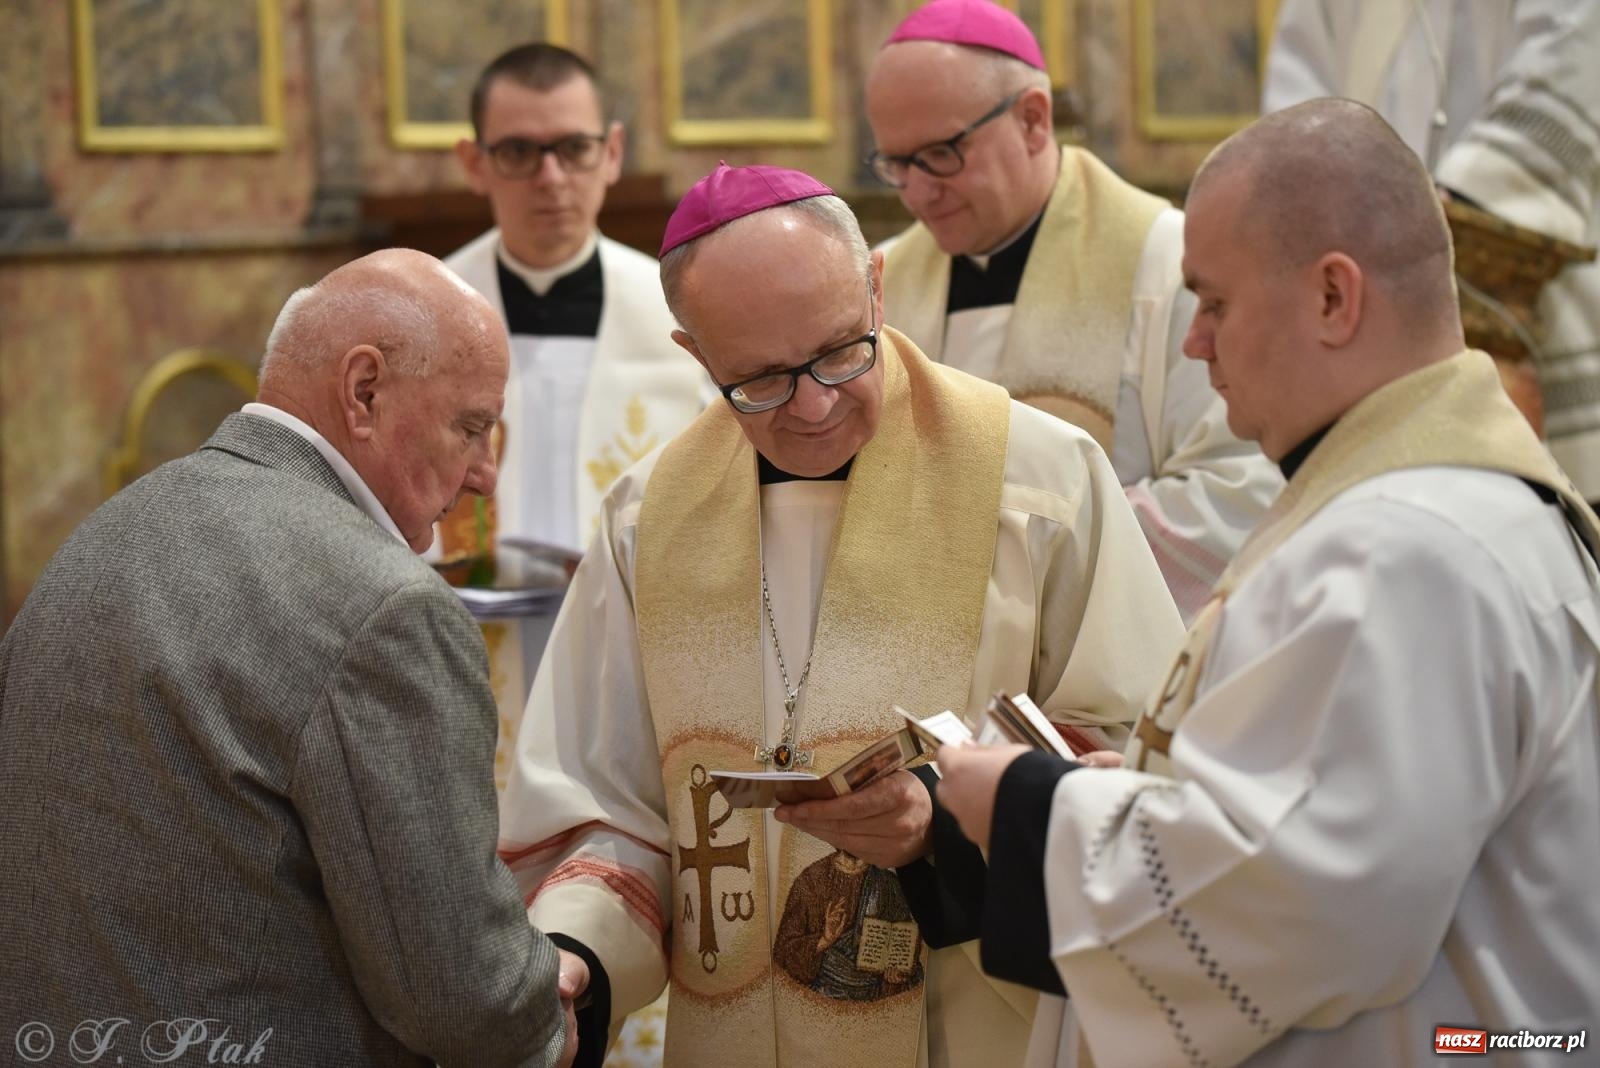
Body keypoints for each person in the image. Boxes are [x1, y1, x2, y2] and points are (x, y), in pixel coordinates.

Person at [938, 100, 1600, 1067]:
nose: (1196, 344)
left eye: (1213, 302)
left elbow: (1315, 899)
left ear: (1335, 297)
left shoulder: (1405, 550)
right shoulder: (1456, 511)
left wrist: (1026, 804)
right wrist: (1162, 786)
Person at [495, 163, 1185, 1067]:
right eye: (763, 380)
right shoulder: (647, 520)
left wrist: (945, 826)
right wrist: (579, 953)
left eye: (838, 353)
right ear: (695, 353)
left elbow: (1139, 760)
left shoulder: (1040, 482)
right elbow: (603, 803)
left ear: (876, 288)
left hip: (975, 1028)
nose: (815, 406)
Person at [0, 250, 586, 1067]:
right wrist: (547, 1014)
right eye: (472, 427)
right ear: (365, 391)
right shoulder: (386, 608)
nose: (486, 476)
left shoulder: (99, 539)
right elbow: (462, 1000)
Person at [864, 0, 1281, 619]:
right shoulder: (879, 281)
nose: (918, 192)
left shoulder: (1169, 263)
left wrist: (1004, 562)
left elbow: (1238, 492)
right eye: (898, 164)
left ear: (1034, 121)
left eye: (943, 154)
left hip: (1108, 677)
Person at [1265, 0, 1600, 502]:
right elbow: (1304, 79)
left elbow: (1573, 42)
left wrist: (1473, 192)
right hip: (1367, 269)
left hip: (1526, 256)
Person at [448, 42, 707, 558]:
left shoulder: (680, 308)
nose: (551, 178)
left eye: (574, 148)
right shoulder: (428, 306)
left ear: (611, 153)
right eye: (519, 152)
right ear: (475, 163)